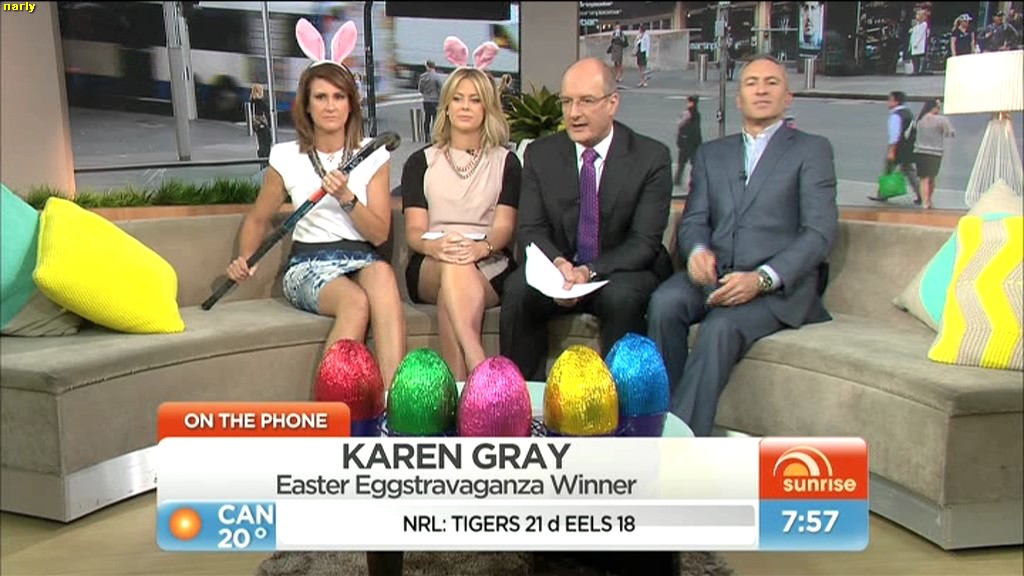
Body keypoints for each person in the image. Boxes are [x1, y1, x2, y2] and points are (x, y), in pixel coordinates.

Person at [647, 55, 838, 438]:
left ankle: (678, 444)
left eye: (772, 83)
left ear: (788, 97)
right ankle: (659, 417)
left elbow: (819, 233)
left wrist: (762, 279)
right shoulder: (712, 154)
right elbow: (694, 220)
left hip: (775, 288)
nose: (761, 90)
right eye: (752, 83)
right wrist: (697, 252)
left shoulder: (811, 150)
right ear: (739, 99)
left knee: (720, 328)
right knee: (664, 303)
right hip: (715, 276)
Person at [225, 38, 407, 389]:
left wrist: (347, 197)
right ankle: (333, 407)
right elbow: (258, 219)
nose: (330, 106)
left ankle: (392, 398)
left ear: (351, 104)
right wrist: (245, 258)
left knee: (383, 274)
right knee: (355, 303)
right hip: (308, 263)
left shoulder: (373, 154)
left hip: (361, 257)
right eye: (321, 97)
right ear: (306, 106)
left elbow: (380, 234)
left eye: (339, 97)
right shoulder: (286, 156)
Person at [500, 57, 674, 383]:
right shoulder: (541, 154)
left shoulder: (651, 157)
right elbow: (531, 229)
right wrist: (559, 264)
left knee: (622, 298)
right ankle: (521, 397)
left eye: (586, 101)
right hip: (561, 270)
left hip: (620, 270)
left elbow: (644, 243)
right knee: (517, 291)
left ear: (612, 103)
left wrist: (589, 271)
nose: (574, 113)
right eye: (567, 102)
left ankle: (619, 401)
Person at [401, 66, 522, 380]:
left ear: (487, 108)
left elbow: (504, 227)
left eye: (475, 99)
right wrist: (435, 247)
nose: (465, 106)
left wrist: (481, 248)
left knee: (452, 287)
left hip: (489, 259)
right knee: (453, 262)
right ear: (446, 107)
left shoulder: (506, 162)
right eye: (457, 99)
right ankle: (479, 367)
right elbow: (414, 231)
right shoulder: (420, 162)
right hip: (431, 258)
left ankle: (459, 389)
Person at [868, 90, 921, 204]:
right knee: (909, 171)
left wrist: (891, 151)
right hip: (908, 147)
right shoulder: (908, 113)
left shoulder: (896, 116)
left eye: (890, 100)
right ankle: (921, 194)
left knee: (887, 170)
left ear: (896, 102)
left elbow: (894, 135)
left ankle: (883, 194)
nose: (888, 102)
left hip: (897, 148)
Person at [913, 99, 955, 210]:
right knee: (932, 178)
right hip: (935, 153)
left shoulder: (918, 119)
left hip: (920, 152)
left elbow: (910, 132)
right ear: (934, 108)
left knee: (924, 179)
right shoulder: (941, 120)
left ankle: (925, 202)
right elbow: (950, 133)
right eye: (938, 107)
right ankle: (929, 200)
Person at [674, 95, 702, 188]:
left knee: (682, 163)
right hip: (692, 143)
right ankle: (691, 180)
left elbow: (680, 125)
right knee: (694, 163)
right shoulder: (695, 114)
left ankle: (677, 180)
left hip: (686, 142)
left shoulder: (688, 114)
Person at [417, 60, 444, 139]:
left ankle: (427, 135)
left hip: (426, 100)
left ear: (427, 66)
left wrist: (425, 94)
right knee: (435, 118)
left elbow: (420, 89)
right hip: (435, 100)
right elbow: (441, 88)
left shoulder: (423, 76)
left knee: (427, 118)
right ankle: (435, 135)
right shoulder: (436, 77)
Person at [250, 84, 272, 165]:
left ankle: (262, 162)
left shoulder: (252, 101)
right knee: (266, 142)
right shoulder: (259, 102)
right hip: (262, 125)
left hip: (257, 127)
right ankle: (265, 162)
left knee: (261, 143)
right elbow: (265, 113)